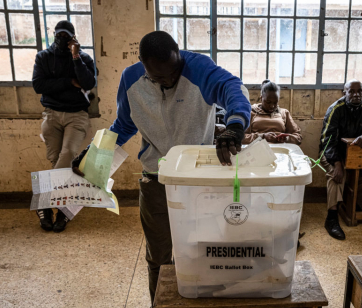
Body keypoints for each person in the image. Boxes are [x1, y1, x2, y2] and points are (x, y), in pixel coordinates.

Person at [71, 31, 251, 305]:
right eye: (158, 78)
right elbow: (124, 125)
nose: (167, 82)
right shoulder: (131, 80)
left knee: (203, 249)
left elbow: (233, 88)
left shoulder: (199, 68)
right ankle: (159, 303)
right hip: (155, 181)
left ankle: (204, 299)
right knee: (158, 256)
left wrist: (235, 125)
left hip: (197, 181)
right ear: (143, 64)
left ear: (178, 54)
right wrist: (92, 153)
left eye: (173, 73)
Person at [32, 20, 96, 233]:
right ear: (53, 34)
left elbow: (87, 83)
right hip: (51, 114)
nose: (61, 39)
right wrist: (69, 82)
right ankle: (62, 211)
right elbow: (38, 86)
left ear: (73, 38)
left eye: (66, 36)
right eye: (59, 35)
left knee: (67, 155)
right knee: (55, 162)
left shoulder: (83, 58)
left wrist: (75, 56)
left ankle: (44, 204)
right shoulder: (43, 57)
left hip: (76, 115)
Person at [319, 80, 362, 240]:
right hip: (333, 153)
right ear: (344, 92)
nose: (356, 94)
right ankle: (332, 217)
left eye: (359, 91)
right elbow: (327, 141)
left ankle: (354, 206)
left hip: (357, 155)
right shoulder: (336, 109)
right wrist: (338, 164)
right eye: (351, 91)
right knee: (336, 176)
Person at [243, 80, 302, 145]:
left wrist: (286, 138)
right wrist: (262, 136)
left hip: (282, 149)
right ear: (261, 98)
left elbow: (298, 138)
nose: (272, 106)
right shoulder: (250, 112)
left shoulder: (284, 113)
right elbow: (242, 138)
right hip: (258, 149)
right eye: (268, 102)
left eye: (275, 102)